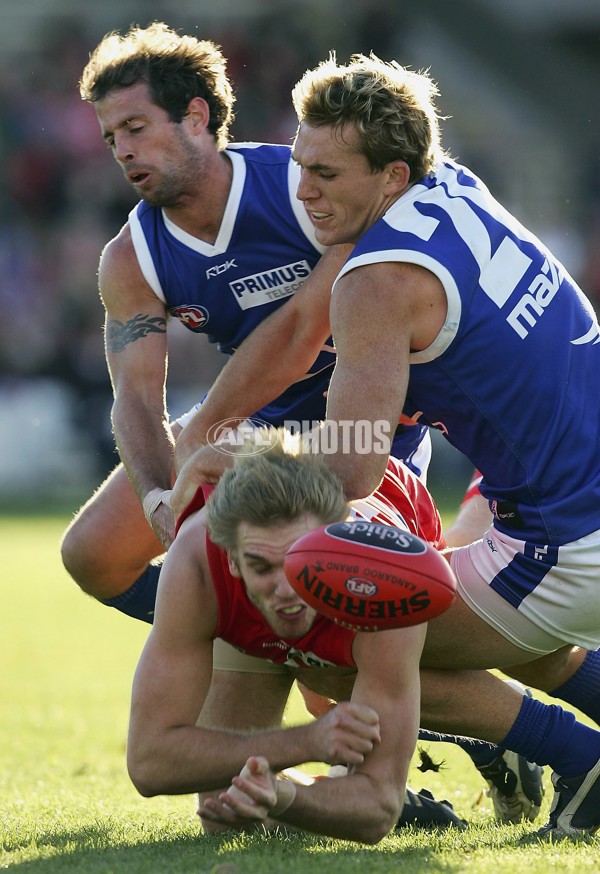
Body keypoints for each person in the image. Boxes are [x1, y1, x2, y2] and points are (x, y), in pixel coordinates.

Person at [166, 54, 600, 837]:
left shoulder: (375, 280)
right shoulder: (450, 183)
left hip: (563, 536)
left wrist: (226, 454)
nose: (303, 192)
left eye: (327, 174)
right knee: (483, 629)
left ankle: (577, 755)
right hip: (551, 498)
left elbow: (352, 466)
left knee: (337, 636)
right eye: (300, 165)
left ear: (392, 174)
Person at [60, 22, 430, 627]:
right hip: (253, 426)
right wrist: (158, 495)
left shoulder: (305, 183)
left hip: (362, 431)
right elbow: (134, 395)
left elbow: (300, 332)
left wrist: (202, 432)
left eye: (136, 127)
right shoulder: (131, 257)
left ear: (197, 116)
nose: (123, 150)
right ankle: (253, 632)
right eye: (110, 138)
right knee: (92, 555)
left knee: (339, 638)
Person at [132, 429, 600, 840]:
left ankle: (526, 744)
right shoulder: (197, 558)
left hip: (399, 512)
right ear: (231, 559)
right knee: (225, 812)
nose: (284, 590)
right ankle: (403, 803)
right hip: (256, 551)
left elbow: (376, 809)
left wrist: (288, 792)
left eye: (299, 560)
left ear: (333, 539)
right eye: (259, 566)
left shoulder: (383, 579)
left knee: (339, 676)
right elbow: (150, 762)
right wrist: (300, 755)